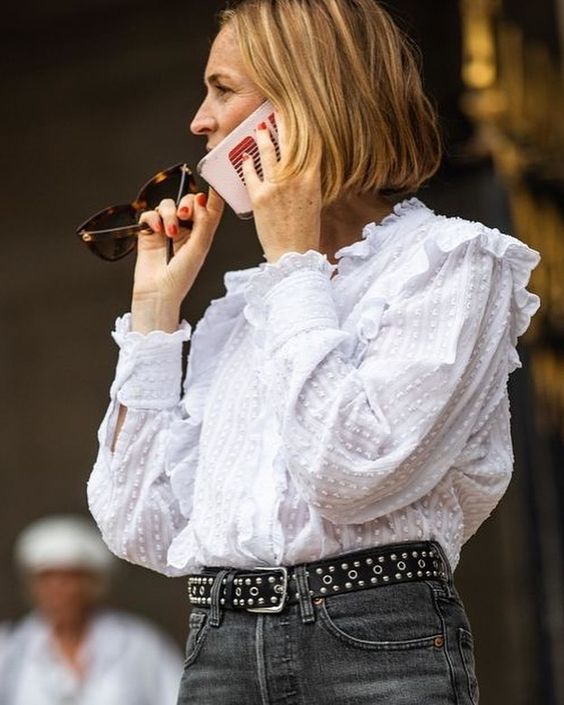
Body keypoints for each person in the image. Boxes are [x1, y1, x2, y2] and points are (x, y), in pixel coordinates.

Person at [87, 1, 541, 702]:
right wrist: (154, 315)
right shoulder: (244, 307)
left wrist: (293, 262)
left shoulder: (450, 264)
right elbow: (138, 524)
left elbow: (350, 472)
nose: (199, 121)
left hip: (375, 645)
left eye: (222, 88)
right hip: (220, 648)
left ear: (303, 105)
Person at [0, 515, 183, 705]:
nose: (58, 591)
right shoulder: (8, 648)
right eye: (47, 580)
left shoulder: (139, 644)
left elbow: (174, 696)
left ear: (94, 585)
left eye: (70, 580)